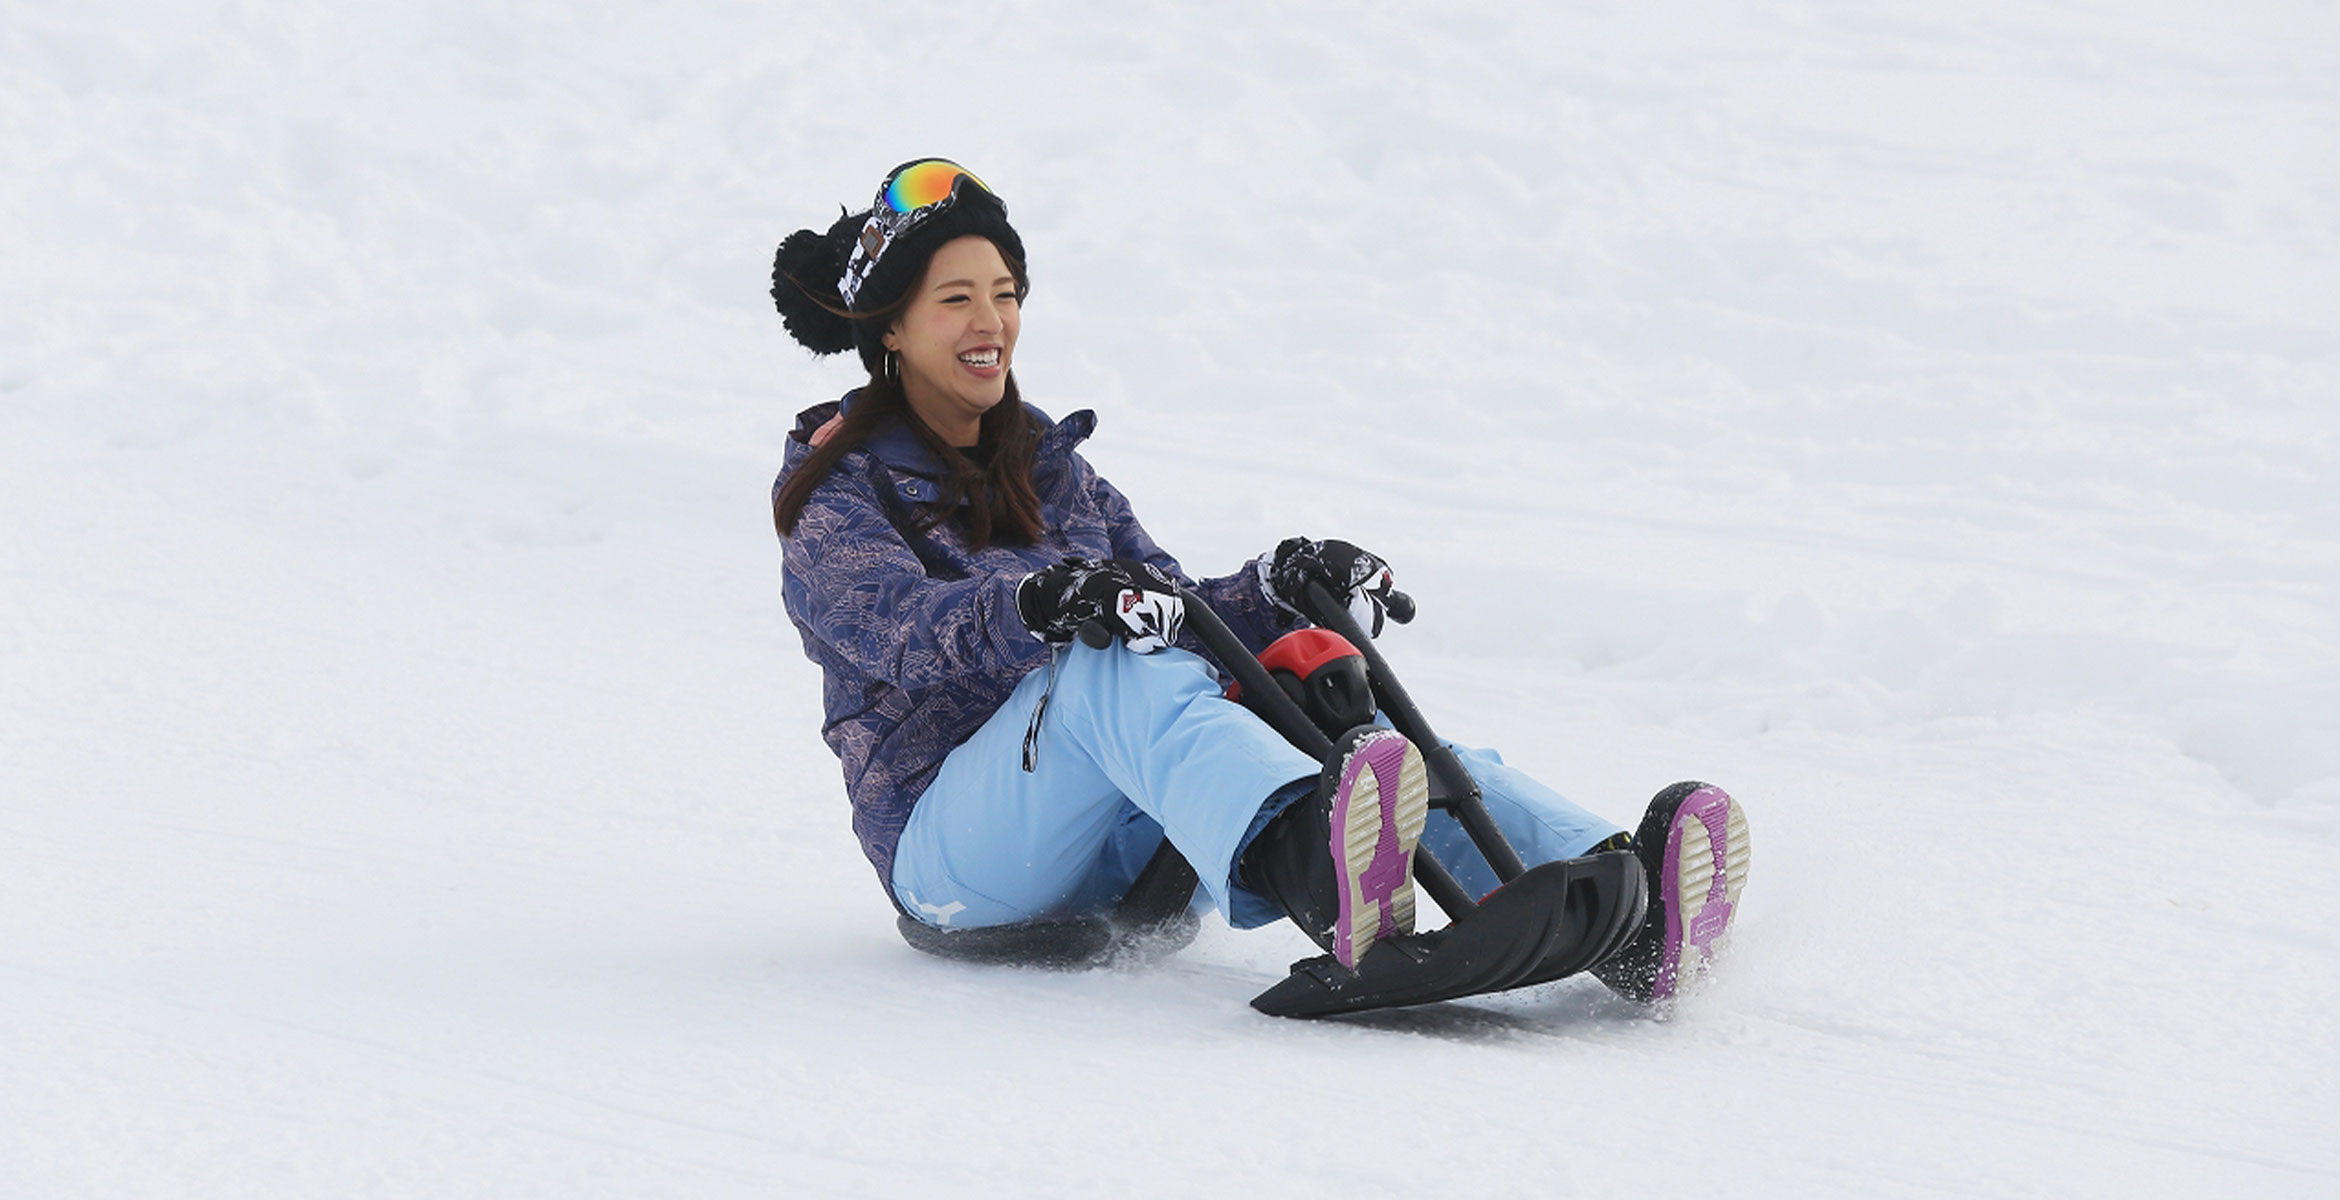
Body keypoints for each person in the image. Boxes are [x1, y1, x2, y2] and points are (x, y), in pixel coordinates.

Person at [767, 158, 1749, 1003]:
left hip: (1123, 839)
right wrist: (1042, 606)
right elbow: (895, 625)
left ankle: (1625, 907)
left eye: (1006, 293)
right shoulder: (836, 486)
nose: (992, 321)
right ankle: (1329, 872)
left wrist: (1280, 587)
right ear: (888, 328)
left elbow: (1178, 611)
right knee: (1104, 666)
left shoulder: (1047, 467)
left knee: (1309, 680)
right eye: (957, 299)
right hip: (956, 858)